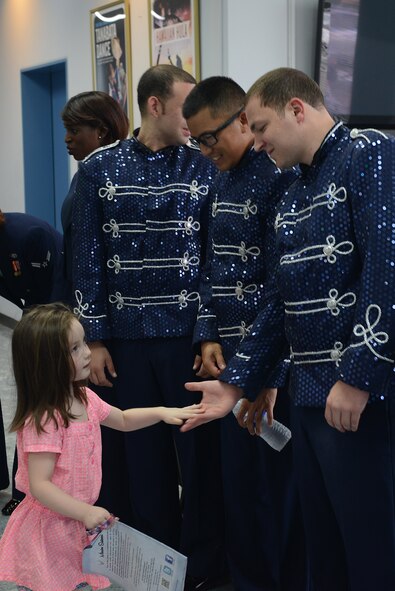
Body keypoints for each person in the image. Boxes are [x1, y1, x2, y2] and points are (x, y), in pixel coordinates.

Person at [181, 67, 395, 591]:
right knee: (323, 547)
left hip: (359, 397)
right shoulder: (296, 192)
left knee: (371, 547)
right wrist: (238, 381)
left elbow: (386, 270)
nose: (255, 143)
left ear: (297, 109)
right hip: (310, 395)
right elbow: (280, 298)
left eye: (260, 127)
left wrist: (359, 375)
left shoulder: (368, 153)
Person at [71, 65, 226, 590]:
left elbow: (214, 257)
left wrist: (208, 330)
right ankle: (147, 570)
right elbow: (86, 259)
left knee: (201, 460)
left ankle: (202, 568)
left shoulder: (206, 167)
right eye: (187, 106)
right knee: (141, 463)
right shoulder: (98, 170)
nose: (196, 118)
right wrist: (93, 339)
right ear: (155, 106)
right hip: (126, 345)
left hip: (187, 341)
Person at [182, 76, 306, 591]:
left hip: (275, 367)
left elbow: (286, 283)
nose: (205, 150)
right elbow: (209, 264)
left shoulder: (280, 176)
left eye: (210, 138)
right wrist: (207, 334)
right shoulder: (218, 178)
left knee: (276, 494)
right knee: (237, 489)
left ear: (241, 121)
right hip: (230, 366)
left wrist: (271, 375)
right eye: (196, 142)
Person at [0, 303, 203, 591]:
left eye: (83, 342)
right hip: (49, 531)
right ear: (45, 361)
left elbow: (121, 418)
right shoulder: (46, 418)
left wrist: (161, 412)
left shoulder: (84, 397)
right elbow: (40, 485)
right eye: (73, 348)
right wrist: (83, 512)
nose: (86, 352)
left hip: (75, 522)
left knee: (77, 581)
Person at [0, 208, 71, 515]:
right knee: (31, 404)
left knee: (53, 403)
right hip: (34, 318)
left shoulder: (28, 235)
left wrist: (48, 339)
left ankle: (51, 489)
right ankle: (23, 490)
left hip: (59, 319)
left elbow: (57, 288)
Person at [61, 90, 130, 285]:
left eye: (74, 131)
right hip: (77, 283)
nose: (67, 138)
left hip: (105, 291)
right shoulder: (82, 175)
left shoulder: (122, 181)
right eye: (67, 130)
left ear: (101, 132)